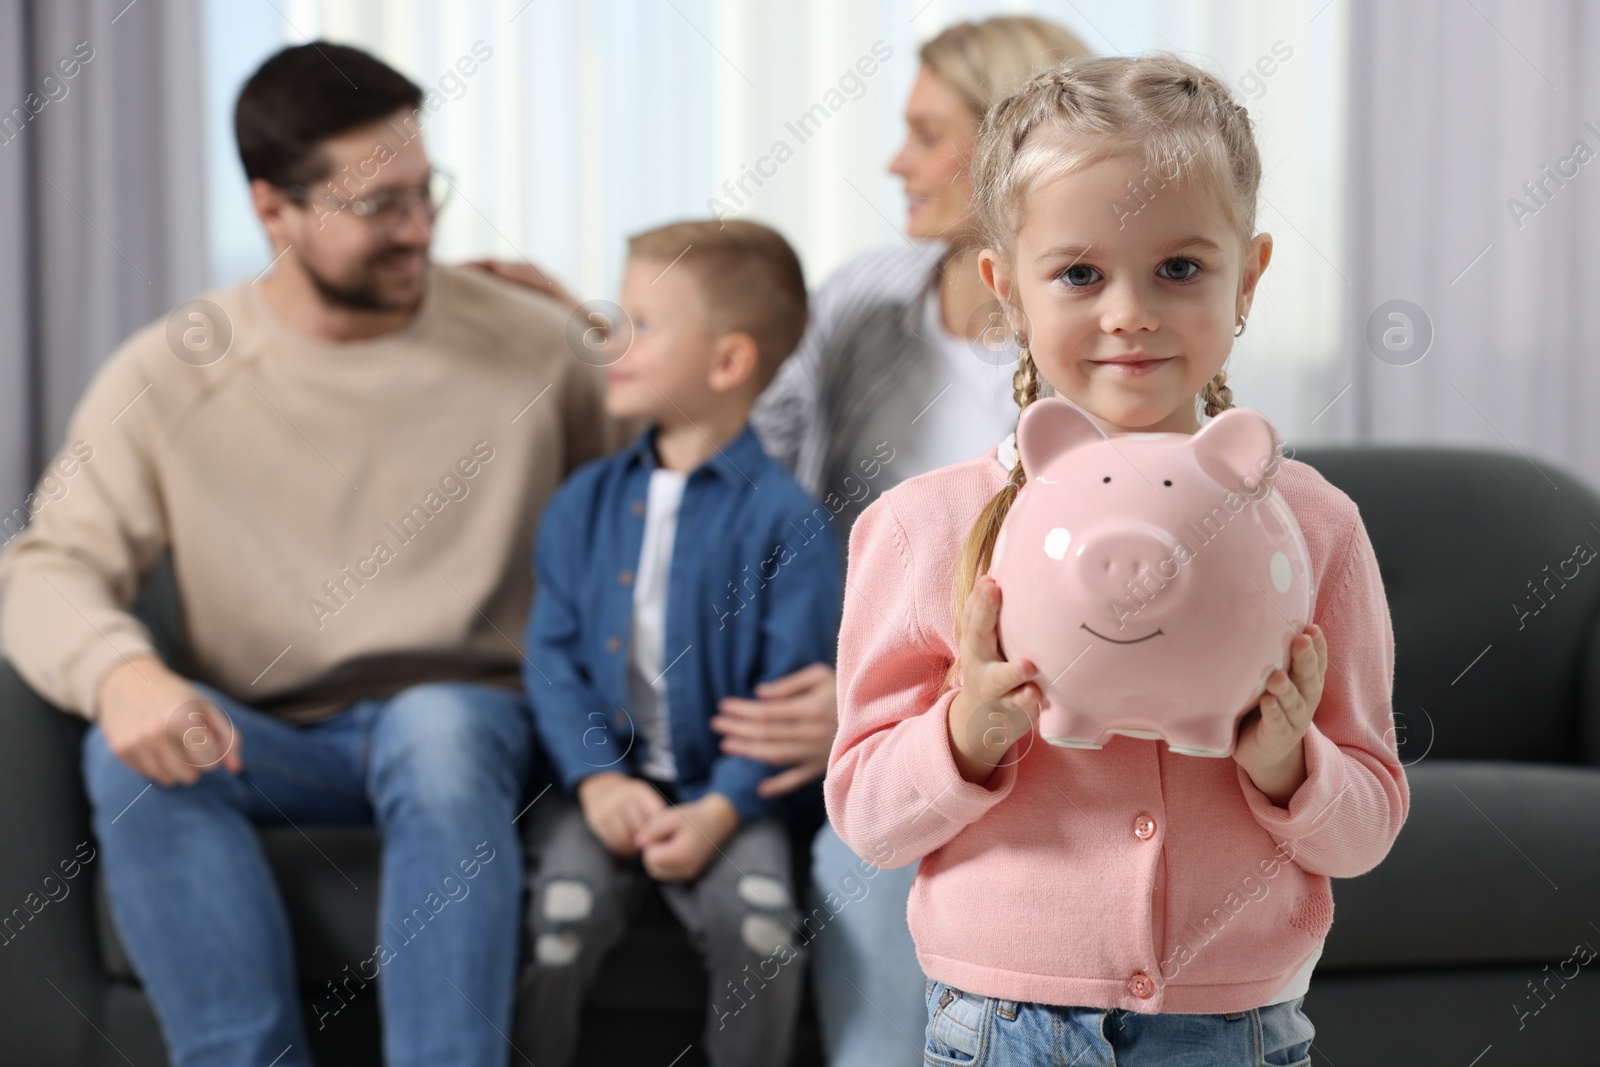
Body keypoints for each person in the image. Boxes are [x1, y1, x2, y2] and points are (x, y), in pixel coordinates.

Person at [471, 20, 1092, 1062]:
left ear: (1007, 146)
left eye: (925, 133)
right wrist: (597, 332)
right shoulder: (864, 303)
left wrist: (884, 698)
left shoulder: (1085, 336)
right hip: (833, 704)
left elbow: (1073, 594)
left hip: (975, 705)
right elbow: (724, 443)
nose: (896, 160)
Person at [0, 43, 619, 1067]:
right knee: (131, 752)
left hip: (473, 721)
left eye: (427, 194)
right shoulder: (171, 368)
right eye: (378, 206)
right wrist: (124, 672)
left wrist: (599, 331)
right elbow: (45, 564)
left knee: (436, 724)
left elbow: (672, 490)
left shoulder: (532, 341)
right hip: (274, 737)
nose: (419, 230)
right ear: (272, 210)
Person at [825, 53, 1410, 1066]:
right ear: (1005, 285)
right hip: (1000, 1028)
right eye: (1080, 273)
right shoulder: (922, 524)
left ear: (1249, 276)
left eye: (1178, 268)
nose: (1129, 310)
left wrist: (1287, 765)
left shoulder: (1313, 525)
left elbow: (1366, 823)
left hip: (1238, 1030)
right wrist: (964, 732)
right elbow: (868, 820)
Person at [515, 219, 841, 1067]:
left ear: (728, 362)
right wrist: (595, 784)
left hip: (730, 798)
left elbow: (786, 699)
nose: (613, 339)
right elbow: (551, 661)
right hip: (608, 785)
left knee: (765, 926)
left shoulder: (791, 524)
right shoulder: (581, 504)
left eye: (645, 325)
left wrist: (720, 810)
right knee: (562, 920)